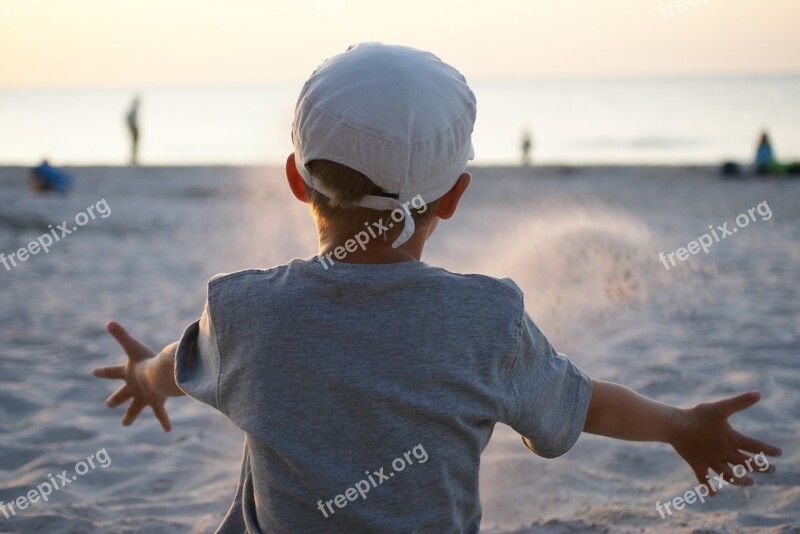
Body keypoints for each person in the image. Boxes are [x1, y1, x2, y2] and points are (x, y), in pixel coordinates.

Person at [92, 43, 781, 533]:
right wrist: (683, 427)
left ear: (297, 179)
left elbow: (175, 370)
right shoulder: (486, 320)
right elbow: (583, 405)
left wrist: (147, 378)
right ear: (453, 197)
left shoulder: (241, 310)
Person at [126, 95, 140, 165]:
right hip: (133, 128)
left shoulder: (134, 109)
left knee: (134, 144)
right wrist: (132, 127)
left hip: (133, 127)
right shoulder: (133, 109)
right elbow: (128, 118)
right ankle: (133, 158)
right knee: (134, 144)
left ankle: (134, 158)